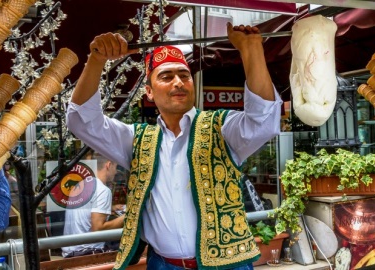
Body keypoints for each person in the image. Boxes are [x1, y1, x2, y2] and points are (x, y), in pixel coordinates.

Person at [66, 22, 282, 269]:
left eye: (184, 75)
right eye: (166, 77)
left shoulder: (221, 128)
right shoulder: (136, 140)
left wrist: (251, 49)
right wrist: (97, 60)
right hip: (163, 264)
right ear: (148, 92)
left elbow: (264, 120)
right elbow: (81, 121)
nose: (178, 82)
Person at [61, 153, 125, 258]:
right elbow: (98, 228)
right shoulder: (103, 190)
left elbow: (85, 210)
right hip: (88, 253)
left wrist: (110, 208)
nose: (116, 171)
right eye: (115, 167)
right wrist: (127, 217)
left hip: (70, 251)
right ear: (108, 165)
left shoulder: (80, 185)